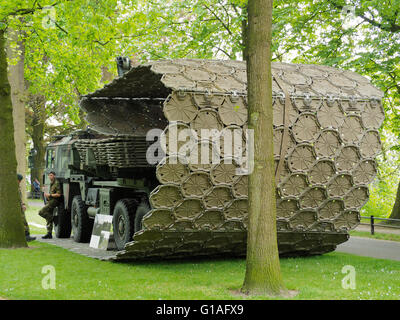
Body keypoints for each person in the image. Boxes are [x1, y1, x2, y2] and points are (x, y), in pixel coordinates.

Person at [39, 171, 62, 239]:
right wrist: (45, 193)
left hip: (54, 201)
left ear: (54, 176)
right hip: (50, 201)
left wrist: (50, 195)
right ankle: (49, 233)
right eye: (49, 175)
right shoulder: (51, 183)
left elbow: (59, 194)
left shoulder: (56, 183)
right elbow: (49, 195)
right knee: (48, 215)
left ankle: (53, 218)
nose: (50, 176)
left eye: (51, 175)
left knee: (41, 212)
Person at [17, 174, 36, 242]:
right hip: (18, 207)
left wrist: (23, 204)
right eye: (19, 180)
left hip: (19, 206)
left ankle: (26, 235)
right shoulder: (14, 188)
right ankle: (26, 235)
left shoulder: (17, 187)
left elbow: (20, 198)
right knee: (23, 221)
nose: (19, 182)